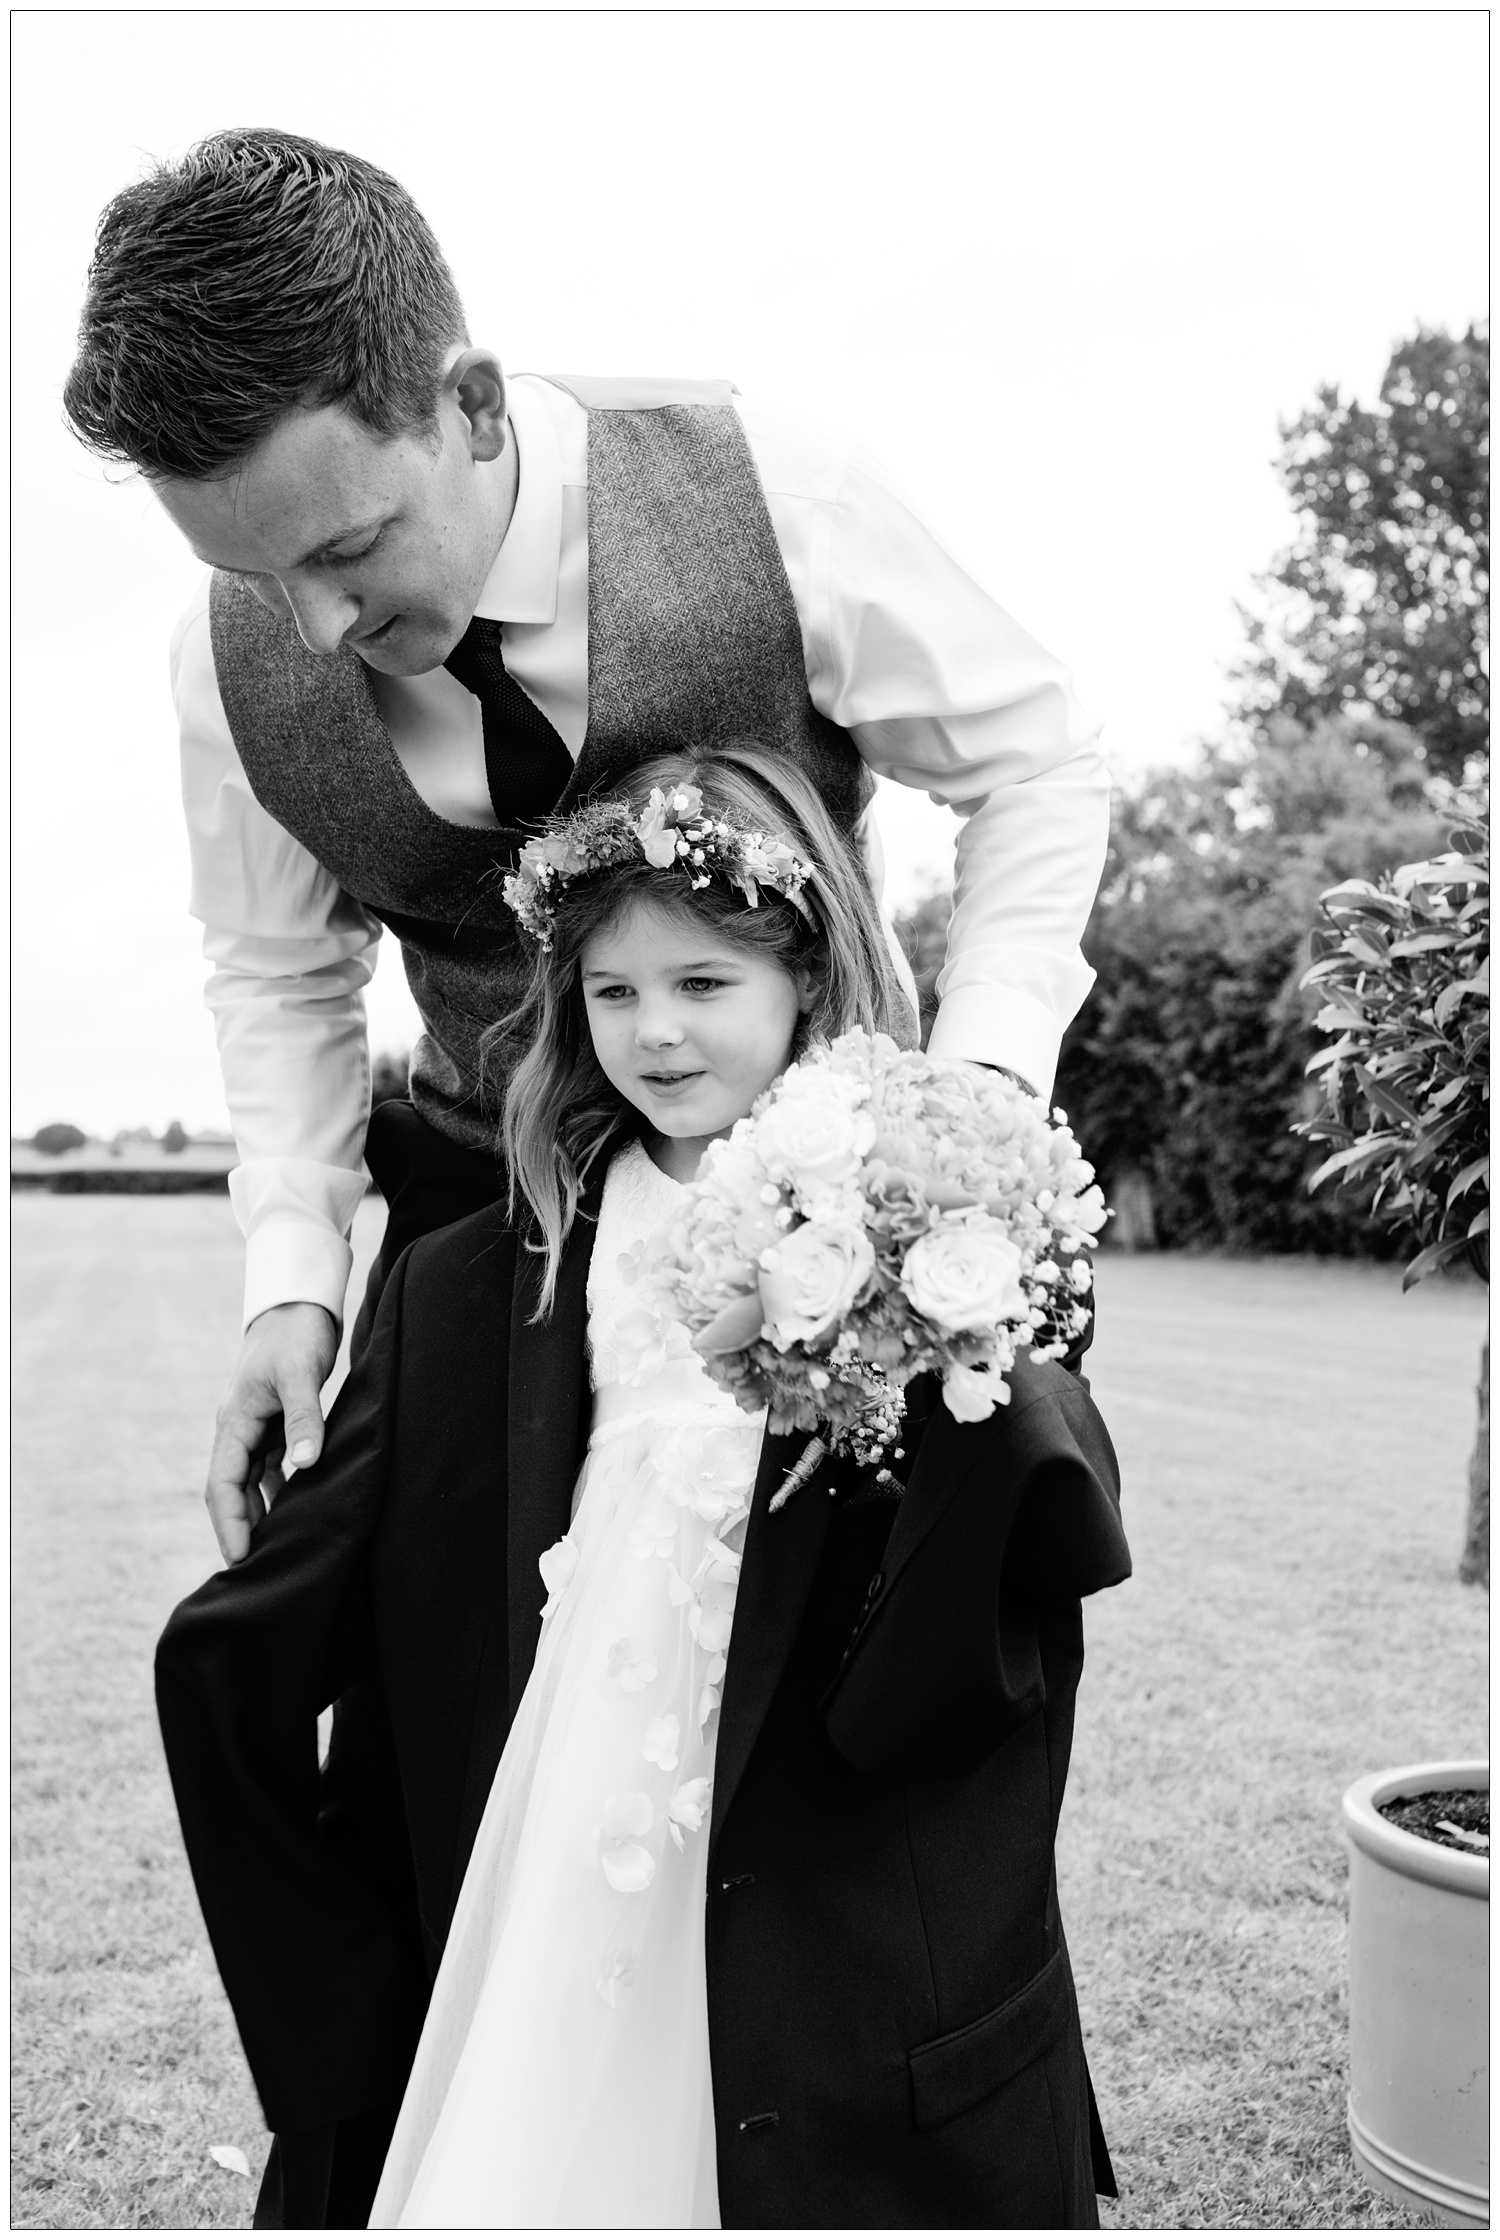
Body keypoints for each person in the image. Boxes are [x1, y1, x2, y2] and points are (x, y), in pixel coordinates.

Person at [64, 128, 1112, 1568]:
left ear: (473, 406)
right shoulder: (222, 668)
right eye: (252, 574)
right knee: (437, 1719)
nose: (310, 627)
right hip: (479, 1221)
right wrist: (292, 1284)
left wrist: (977, 1107)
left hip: (832, 1210)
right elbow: (277, 973)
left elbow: (1038, 765)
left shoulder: (784, 491)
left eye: (346, 548)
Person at [156, 746, 1131, 2230]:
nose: (656, 1035)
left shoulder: (956, 1242)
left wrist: (945, 1332)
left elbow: (1026, 1589)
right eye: (613, 993)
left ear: (809, 979)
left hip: (839, 1968)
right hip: (557, 1876)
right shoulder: (469, 1288)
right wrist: (330, 1986)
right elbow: (243, 1651)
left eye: (704, 985)